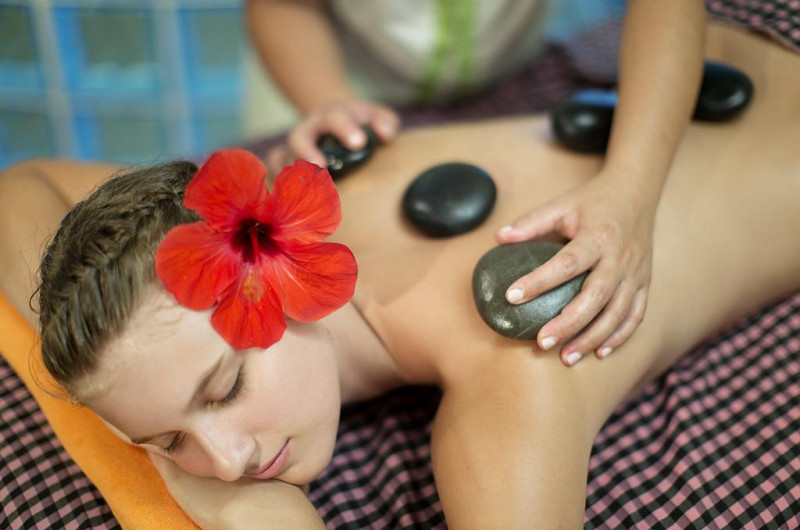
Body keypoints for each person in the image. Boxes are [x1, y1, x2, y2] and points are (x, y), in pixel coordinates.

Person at [0, 21, 798, 529]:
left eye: (226, 388)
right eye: (170, 442)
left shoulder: (510, 374)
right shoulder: (279, 215)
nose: (227, 461)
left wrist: (631, 189)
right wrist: (180, 470)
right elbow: (16, 190)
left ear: (283, 277)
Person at [247, 0, 708, 365]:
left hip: (510, 65)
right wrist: (328, 99)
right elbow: (283, 4)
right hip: (339, 75)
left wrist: (631, 186)